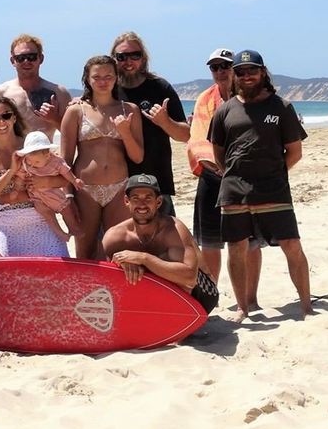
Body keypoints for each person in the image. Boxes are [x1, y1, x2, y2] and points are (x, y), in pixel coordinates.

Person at [210, 50, 312, 321]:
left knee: (291, 244)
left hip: (273, 189)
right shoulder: (225, 110)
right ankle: (243, 307)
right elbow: (218, 152)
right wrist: (232, 174)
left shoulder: (281, 107)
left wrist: (275, 173)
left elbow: (294, 151)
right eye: (241, 72)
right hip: (234, 191)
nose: (246, 76)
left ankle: (306, 306)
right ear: (235, 75)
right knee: (237, 248)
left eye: (252, 70)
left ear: (263, 72)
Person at [187, 48, 263, 305]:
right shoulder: (205, 99)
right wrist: (218, 165)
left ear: (236, 69)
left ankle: (251, 299)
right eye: (215, 67)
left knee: (250, 243)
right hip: (211, 175)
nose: (220, 72)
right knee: (210, 242)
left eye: (225, 66)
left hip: (244, 178)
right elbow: (197, 139)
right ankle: (211, 298)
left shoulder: (251, 98)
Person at [60, 55, 144, 259]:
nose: (103, 82)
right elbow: (64, 161)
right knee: (85, 251)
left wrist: (124, 132)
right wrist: (68, 197)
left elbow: (138, 157)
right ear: (87, 79)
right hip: (85, 189)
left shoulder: (130, 110)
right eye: (97, 77)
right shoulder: (75, 111)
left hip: (119, 188)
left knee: (118, 250)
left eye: (108, 76)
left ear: (116, 78)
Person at [101, 174, 219, 315]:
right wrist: (121, 264)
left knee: (168, 258)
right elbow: (103, 279)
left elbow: (189, 279)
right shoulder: (115, 236)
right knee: (125, 269)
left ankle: (178, 329)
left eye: (148, 198)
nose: (142, 204)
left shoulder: (174, 229)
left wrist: (143, 258)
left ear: (158, 202)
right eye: (136, 198)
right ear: (127, 201)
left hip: (201, 294)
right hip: (158, 296)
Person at [0, 97, 70, 258]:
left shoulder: (33, 146)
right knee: (16, 276)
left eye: (6, 115)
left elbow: (64, 177)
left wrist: (44, 181)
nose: (1, 121)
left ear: (14, 118)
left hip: (42, 216)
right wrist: (11, 171)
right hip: (8, 222)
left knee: (56, 268)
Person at [110, 31, 190, 216]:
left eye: (135, 55)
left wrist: (165, 122)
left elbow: (185, 135)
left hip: (156, 181)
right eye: (122, 56)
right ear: (114, 59)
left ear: (143, 58)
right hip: (117, 183)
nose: (128, 61)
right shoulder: (108, 90)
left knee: (163, 239)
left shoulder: (160, 87)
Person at [0, 33, 72, 139]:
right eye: (20, 58)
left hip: (44, 154)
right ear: (13, 61)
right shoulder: (1, 92)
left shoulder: (59, 93)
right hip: (11, 154)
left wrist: (54, 119)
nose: (26, 61)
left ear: (41, 58)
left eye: (31, 57)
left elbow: (73, 134)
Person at [15, 131, 84, 242]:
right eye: (29, 160)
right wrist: (18, 186)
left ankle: (73, 228)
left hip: (52, 193)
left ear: (47, 156)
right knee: (47, 215)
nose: (32, 164)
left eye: (36, 162)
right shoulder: (25, 163)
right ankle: (60, 233)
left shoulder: (56, 162)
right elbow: (20, 174)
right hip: (36, 196)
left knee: (66, 209)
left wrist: (74, 180)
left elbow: (66, 171)